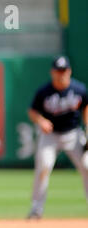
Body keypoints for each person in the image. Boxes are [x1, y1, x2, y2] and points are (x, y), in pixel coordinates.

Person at [27, 55, 88, 219]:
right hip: (50, 136)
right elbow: (32, 111)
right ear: (52, 72)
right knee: (43, 167)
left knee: (87, 166)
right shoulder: (44, 91)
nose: (61, 74)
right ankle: (36, 210)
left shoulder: (79, 89)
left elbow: (86, 108)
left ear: (69, 71)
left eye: (64, 70)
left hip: (73, 134)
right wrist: (41, 121)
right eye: (58, 70)